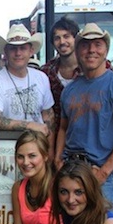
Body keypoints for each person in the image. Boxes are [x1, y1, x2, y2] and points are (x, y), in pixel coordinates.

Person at [54, 23, 113, 214]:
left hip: (101, 175)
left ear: (106, 50)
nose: (91, 50)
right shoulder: (70, 90)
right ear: (78, 50)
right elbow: (63, 128)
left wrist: (104, 172)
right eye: (85, 45)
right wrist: (58, 160)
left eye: (98, 44)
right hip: (71, 171)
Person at [0, 23, 55, 158]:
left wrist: (50, 153)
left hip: (39, 151)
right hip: (8, 152)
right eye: (13, 49)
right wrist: (30, 125)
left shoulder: (41, 78)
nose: (18, 53)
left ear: (31, 50)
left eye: (23, 48)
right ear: (6, 52)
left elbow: (48, 117)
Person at [39, 17, 81, 147]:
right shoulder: (45, 72)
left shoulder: (91, 69)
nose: (62, 42)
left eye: (66, 36)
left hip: (82, 140)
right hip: (53, 140)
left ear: (76, 39)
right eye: (57, 38)